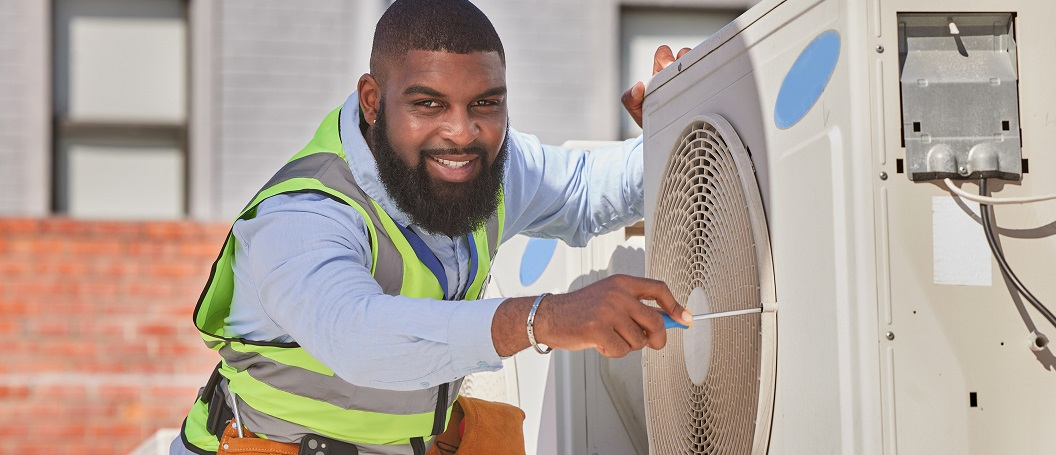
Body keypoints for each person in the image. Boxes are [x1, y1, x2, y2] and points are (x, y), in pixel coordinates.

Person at [172, 1, 692, 454]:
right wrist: (541, 319)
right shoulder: (302, 216)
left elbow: (586, 191)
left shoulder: (494, 166)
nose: (461, 133)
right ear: (374, 101)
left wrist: (683, 119)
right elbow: (358, 339)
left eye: (485, 103)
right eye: (429, 104)